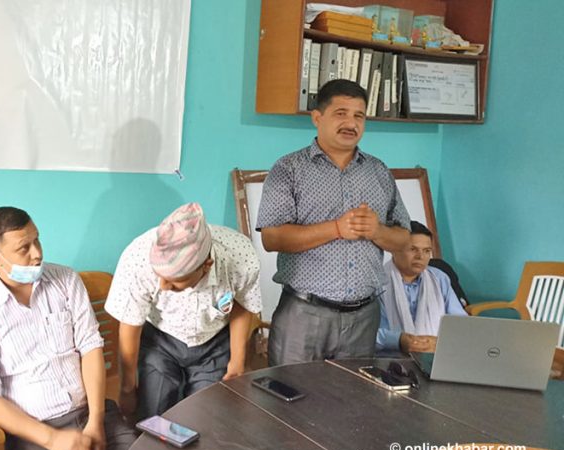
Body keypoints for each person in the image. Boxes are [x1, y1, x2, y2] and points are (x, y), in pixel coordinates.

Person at [0, 207, 134, 450]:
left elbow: (91, 346)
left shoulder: (66, 280)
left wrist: (96, 419)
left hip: (90, 412)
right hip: (33, 435)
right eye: (23, 248)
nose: (37, 253)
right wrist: (51, 439)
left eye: (37, 240)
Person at [257, 79, 411, 366]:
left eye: (359, 116)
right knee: (291, 391)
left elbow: (404, 239)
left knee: (352, 393)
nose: (351, 123)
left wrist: (377, 231)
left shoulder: (378, 171)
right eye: (341, 113)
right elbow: (272, 238)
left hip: (364, 317)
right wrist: (336, 229)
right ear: (317, 118)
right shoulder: (289, 169)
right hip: (304, 313)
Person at [105, 202, 262, 421]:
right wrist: (127, 389)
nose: (162, 286)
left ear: (206, 266)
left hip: (213, 343)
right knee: (154, 415)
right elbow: (130, 324)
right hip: (160, 340)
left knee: (206, 419)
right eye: (160, 276)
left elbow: (242, 305)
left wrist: (237, 362)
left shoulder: (239, 257)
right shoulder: (137, 259)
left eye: (174, 281)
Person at [377, 221, 467, 353]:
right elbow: (370, 335)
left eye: (427, 251)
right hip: (392, 357)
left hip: (436, 353)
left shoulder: (439, 278)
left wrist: (441, 341)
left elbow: (460, 323)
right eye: (413, 249)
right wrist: (399, 341)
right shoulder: (377, 282)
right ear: (394, 250)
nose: (420, 257)